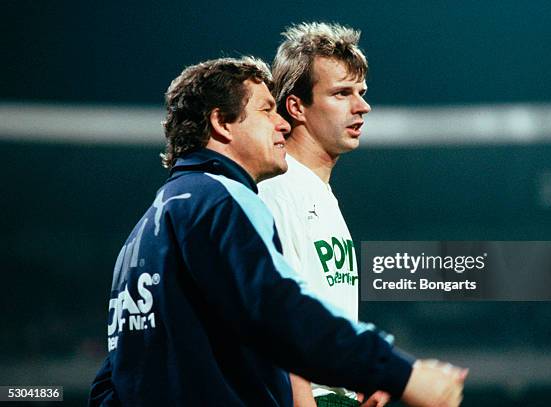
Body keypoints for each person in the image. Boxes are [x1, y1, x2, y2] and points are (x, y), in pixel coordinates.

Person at [88, 56, 467, 407]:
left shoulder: (144, 232)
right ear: (222, 123)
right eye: (267, 110)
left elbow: (112, 379)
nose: (282, 123)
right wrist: (401, 373)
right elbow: (280, 309)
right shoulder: (221, 199)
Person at [257, 22, 380, 406]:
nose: (362, 106)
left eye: (360, 92)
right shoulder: (275, 191)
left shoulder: (320, 193)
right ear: (296, 106)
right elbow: (272, 313)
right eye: (342, 93)